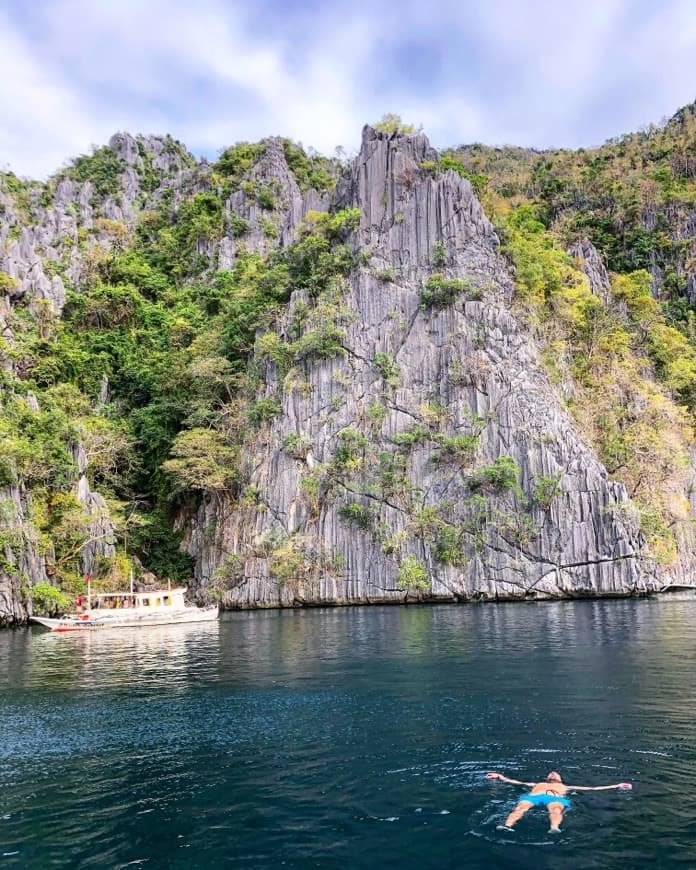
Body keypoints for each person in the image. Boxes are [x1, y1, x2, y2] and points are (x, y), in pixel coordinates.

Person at [486, 770, 632, 833]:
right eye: (551, 773)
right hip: (533, 796)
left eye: (555, 773)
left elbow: (593, 788)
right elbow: (515, 782)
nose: (553, 773)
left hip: (555, 797)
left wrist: (616, 785)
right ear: (547, 777)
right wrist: (500, 776)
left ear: (561, 779)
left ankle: (554, 827)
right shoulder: (535, 784)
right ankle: (507, 825)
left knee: (555, 809)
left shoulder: (565, 786)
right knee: (520, 809)